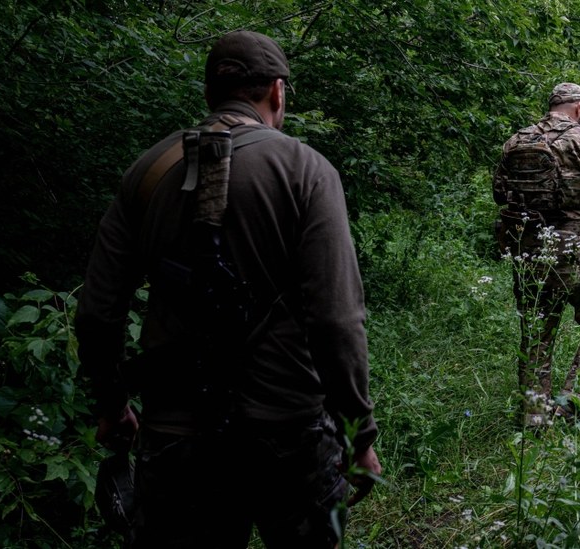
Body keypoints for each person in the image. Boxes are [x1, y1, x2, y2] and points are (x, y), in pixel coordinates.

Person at [75, 30, 381, 548]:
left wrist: (111, 404)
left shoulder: (147, 172)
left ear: (208, 95)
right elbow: (336, 319)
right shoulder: (305, 169)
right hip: (290, 428)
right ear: (278, 92)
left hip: (177, 429)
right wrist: (359, 435)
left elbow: (99, 311)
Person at [493, 82, 580, 426]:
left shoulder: (516, 141)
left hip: (528, 248)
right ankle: (570, 406)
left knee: (537, 329)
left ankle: (534, 416)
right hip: (576, 247)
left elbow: (499, 193)